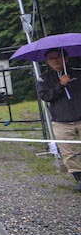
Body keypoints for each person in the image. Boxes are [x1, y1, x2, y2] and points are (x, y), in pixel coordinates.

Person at [36, 48, 81, 191]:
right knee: (68, 152)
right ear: (47, 61)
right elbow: (46, 96)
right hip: (61, 120)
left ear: (66, 58)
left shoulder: (78, 72)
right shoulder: (44, 78)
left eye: (58, 57)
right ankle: (79, 178)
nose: (55, 61)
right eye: (51, 58)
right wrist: (60, 85)